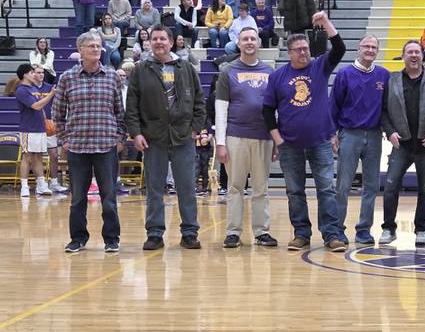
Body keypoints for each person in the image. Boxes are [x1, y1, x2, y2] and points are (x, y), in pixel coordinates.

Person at [261, 12, 346, 252]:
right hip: (290, 145)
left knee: (326, 189)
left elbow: (339, 48)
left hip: (320, 142)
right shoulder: (278, 76)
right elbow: (267, 111)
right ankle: (301, 234)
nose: (303, 52)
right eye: (298, 49)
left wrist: (327, 22)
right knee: (295, 191)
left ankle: (331, 234)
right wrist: (277, 139)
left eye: (306, 48)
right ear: (289, 53)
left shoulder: (319, 67)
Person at [126, 24, 205, 251]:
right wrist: (136, 133)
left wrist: (195, 128)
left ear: (171, 42)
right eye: (155, 39)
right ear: (149, 43)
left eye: (163, 39)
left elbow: (199, 100)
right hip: (153, 138)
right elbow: (131, 106)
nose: (159, 42)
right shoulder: (141, 69)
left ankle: (189, 233)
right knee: (154, 188)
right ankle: (154, 234)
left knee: (187, 187)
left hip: (183, 137)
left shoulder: (186, 68)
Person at [53, 31, 125, 253]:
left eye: (98, 46)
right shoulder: (67, 78)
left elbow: (120, 113)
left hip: (106, 146)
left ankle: (111, 239)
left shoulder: (112, 76)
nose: (96, 49)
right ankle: (78, 238)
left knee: (109, 198)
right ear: (80, 50)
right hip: (77, 147)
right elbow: (57, 115)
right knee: (78, 199)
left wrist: (120, 138)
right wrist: (64, 140)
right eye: (92, 46)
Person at [214, 27, 277, 248]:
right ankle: (233, 232)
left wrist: (276, 139)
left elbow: (274, 109)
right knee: (235, 187)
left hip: (263, 138)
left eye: (253, 38)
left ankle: (261, 232)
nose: (249, 42)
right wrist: (220, 143)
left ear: (259, 43)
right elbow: (220, 109)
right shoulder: (227, 71)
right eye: (245, 39)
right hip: (235, 137)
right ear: (238, 44)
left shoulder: (270, 72)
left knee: (261, 188)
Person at [379, 40, 425, 246]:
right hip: (402, 145)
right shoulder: (392, 79)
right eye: (409, 52)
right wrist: (390, 132)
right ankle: (388, 228)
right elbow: (383, 111)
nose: (414, 55)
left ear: (423, 56)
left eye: (417, 52)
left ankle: (422, 229)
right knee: (390, 186)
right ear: (403, 56)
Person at [330, 35, 390, 245]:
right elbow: (333, 106)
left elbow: (387, 108)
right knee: (343, 185)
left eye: (374, 47)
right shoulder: (345, 74)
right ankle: (337, 229)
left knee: (372, 186)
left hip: (374, 135)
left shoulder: (383, 75)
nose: (370, 50)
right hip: (349, 134)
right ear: (358, 48)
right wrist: (332, 134)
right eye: (367, 46)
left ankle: (364, 230)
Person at [15, 63, 55, 197]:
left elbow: (41, 110)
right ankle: (24, 186)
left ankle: (41, 185)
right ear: (25, 74)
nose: (34, 75)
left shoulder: (32, 89)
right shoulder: (21, 90)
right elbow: (37, 106)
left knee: (38, 157)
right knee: (27, 157)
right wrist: (51, 94)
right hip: (28, 129)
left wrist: (45, 122)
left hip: (39, 128)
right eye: (32, 73)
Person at [31, 65, 67, 194]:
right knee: (37, 156)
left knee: (54, 155)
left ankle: (54, 182)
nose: (40, 75)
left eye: (42, 72)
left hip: (49, 125)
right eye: (38, 72)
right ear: (32, 74)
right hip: (34, 126)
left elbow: (57, 104)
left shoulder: (49, 87)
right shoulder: (29, 88)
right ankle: (40, 183)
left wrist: (56, 121)